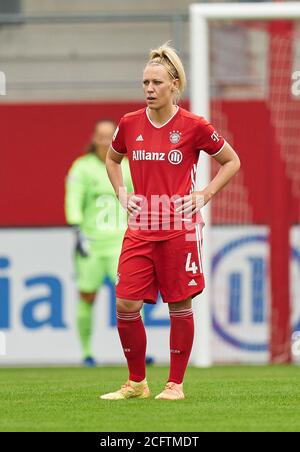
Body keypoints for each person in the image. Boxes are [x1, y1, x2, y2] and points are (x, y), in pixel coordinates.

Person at [101, 42, 240, 399]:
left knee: (179, 303)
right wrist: (121, 192)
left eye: (157, 83)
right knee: (125, 303)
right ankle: (136, 383)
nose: (149, 89)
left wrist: (204, 194)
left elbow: (232, 161)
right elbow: (113, 159)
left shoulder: (193, 125)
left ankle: (175, 384)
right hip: (141, 228)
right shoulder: (129, 123)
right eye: (145, 82)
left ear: (175, 84)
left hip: (180, 228)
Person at [65, 119, 133, 367]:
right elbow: (74, 198)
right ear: (94, 138)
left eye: (110, 136)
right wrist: (76, 228)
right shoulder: (82, 168)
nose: (106, 140)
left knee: (130, 297)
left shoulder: (127, 166)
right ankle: (86, 353)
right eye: (101, 136)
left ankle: (135, 351)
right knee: (87, 295)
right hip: (91, 242)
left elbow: (139, 199)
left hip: (121, 241)